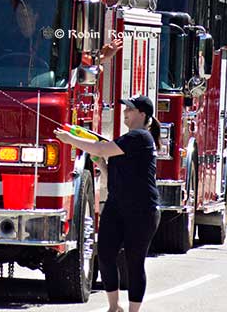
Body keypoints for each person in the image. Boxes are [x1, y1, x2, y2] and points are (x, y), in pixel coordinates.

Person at [54, 95, 160, 312]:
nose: (125, 112)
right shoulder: (126, 139)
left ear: (142, 114)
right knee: (105, 254)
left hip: (142, 210)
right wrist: (101, 164)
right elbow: (111, 172)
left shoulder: (141, 137)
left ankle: (133, 310)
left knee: (134, 261)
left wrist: (70, 139)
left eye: (130, 109)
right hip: (117, 205)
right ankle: (114, 307)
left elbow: (102, 148)